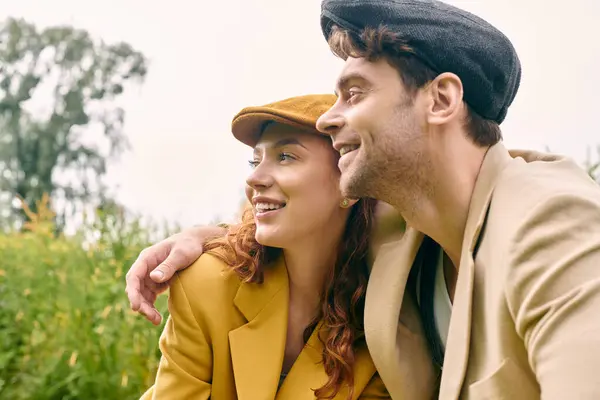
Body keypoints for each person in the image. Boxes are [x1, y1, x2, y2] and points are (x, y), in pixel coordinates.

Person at [128, 1, 600, 399]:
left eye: (354, 93)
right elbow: (310, 229)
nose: (330, 120)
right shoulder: (406, 229)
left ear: (441, 100)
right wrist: (202, 239)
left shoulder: (549, 222)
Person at [140, 94, 431, 399]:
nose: (255, 178)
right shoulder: (205, 285)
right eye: (256, 160)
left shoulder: (382, 327)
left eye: (286, 157)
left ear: (351, 181)